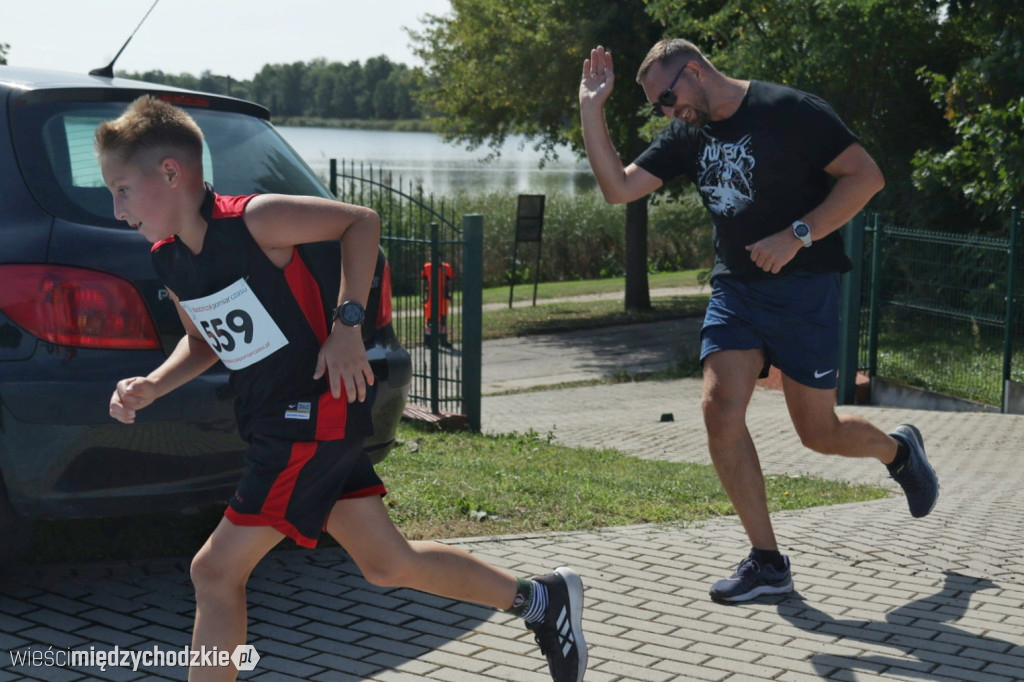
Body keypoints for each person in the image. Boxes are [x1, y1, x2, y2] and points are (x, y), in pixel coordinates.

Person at [97, 95, 587, 682]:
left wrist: (347, 325)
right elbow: (203, 343)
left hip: (309, 418)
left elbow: (361, 221)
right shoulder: (169, 259)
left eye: (122, 189)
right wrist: (153, 384)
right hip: (272, 422)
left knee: (214, 573)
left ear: (171, 173)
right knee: (387, 563)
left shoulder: (254, 219)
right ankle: (542, 600)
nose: (117, 208)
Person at [578, 40, 939, 603]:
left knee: (818, 433)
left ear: (694, 72)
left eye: (668, 98)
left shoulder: (789, 109)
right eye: (658, 108)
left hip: (806, 287)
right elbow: (616, 188)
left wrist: (798, 234)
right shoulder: (687, 134)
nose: (668, 113)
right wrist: (590, 110)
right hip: (737, 290)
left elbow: (866, 178)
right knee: (719, 409)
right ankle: (768, 562)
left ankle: (899, 452)